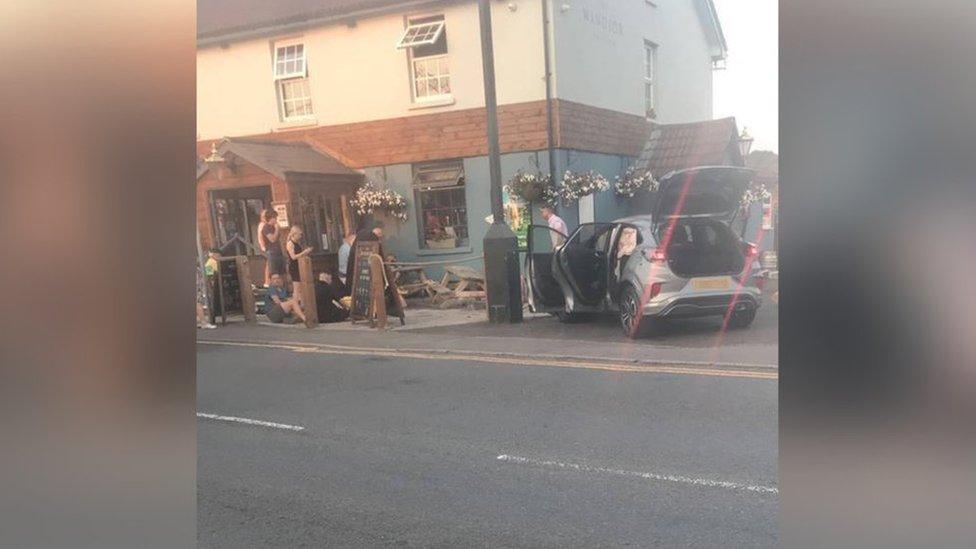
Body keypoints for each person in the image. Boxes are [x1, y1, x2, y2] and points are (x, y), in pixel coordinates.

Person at [286, 225, 314, 306]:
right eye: (299, 234)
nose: (300, 236)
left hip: (299, 266)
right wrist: (304, 252)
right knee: (297, 287)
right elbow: (293, 257)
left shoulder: (297, 243)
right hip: (294, 266)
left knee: (301, 287)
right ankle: (295, 305)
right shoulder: (290, 243)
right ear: (294, 234)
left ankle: (303, 304)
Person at [258, 209, 285, 286]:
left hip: (278, 251)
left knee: (282, 273)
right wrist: (277, 229)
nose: (276, 220)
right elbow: (272, 239)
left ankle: (283, 292)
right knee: (274, 274)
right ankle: (275, 293)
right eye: (275, 218)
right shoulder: (265, 227)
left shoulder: (274, 226)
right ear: (271, 218)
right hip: (272, 252)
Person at [196, 263, 216, 329]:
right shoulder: (209, 263)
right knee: (198, 304)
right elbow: (210, 275)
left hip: (198, 288)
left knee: (198, 304)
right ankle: (203, 323)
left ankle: (202, 322)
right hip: (197, 289)